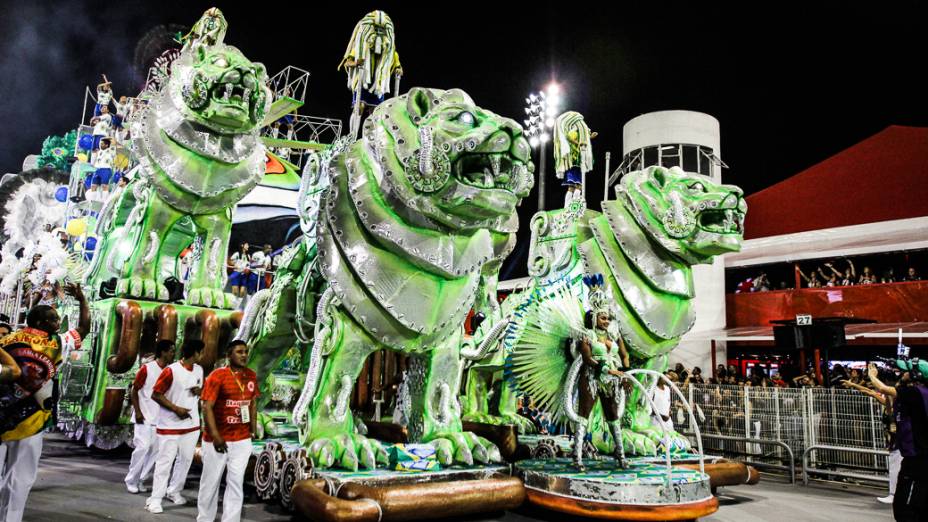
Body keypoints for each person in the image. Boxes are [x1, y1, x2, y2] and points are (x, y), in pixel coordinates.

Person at [0, 284, 89, 522]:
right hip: (33, 419)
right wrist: (82, 301)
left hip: (3, 416)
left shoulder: (8, 339)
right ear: (40, 323)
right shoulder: (57, 342)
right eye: (54, 319)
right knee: (21, 477)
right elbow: (84, 329)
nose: (58, 323)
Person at [197, 341, 258, 522]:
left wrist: (252, 431)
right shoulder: (218, 376)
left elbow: (253, 404)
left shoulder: (251, 376)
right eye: (239, 352)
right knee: (211, 482)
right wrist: (215, 436)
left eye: (246, 352)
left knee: (236, 482)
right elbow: (207, 407)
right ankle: (204, 519)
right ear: (228, 355)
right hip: (217, 440)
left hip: (241, 440)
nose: (244, 355)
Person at [146, 340, 204, 514]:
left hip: (192, 425)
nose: (202, 356)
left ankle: (174, 491)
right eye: (201, 352)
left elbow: (202, 391)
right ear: (195, 353)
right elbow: (156, 394)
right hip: (170, 425)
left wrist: (199, 392)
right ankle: (155, 499)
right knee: (165, 462)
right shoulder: (171, 371)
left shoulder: (199, 370)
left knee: (185, 460)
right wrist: (176, 409)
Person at [124, 339, 176, 494]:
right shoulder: (147, 369)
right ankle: (131, 480)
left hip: (160, 419)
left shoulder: (170, 371)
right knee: (142, 448)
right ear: (163, 352)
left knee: (154, 452)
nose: (173, 353)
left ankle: (141, 479)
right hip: (144, 416)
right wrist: (138, 411)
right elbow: (135, 390)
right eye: (171, 350)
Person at [891, 358, 928, 520]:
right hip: (922, 454)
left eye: (906, 371)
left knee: (904, 506)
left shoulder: (915, 393)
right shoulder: (920, 393)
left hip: (917, 455)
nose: (902, 374)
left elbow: (888, 390)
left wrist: (872, 375)